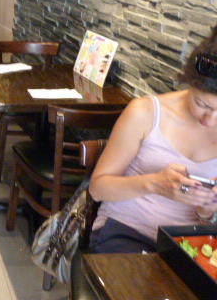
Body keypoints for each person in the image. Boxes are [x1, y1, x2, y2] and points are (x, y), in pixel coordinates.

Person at [89, 26, 217, 253]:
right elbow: (97, 189)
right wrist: (155, 184)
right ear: (190, 82)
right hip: (126, 230)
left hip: (188, 245)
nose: (210, 120)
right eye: (202, 104)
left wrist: (207, 211)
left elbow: (208, 221)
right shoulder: (145, 112)